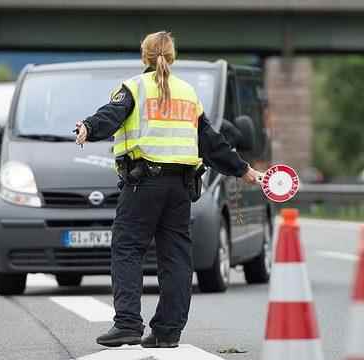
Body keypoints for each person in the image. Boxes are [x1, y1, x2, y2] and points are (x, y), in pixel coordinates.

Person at [75, 31, 263, 348]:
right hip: (180, 187)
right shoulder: (188, 93)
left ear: (144, 56)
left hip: (143, 183)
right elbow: (211, 141)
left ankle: (127, 324)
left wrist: (88, 128)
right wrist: (243, 169)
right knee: (175, 257)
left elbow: (111, 115)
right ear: (171, 57)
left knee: (128, 249)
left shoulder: (134, 87)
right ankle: (167, 331)